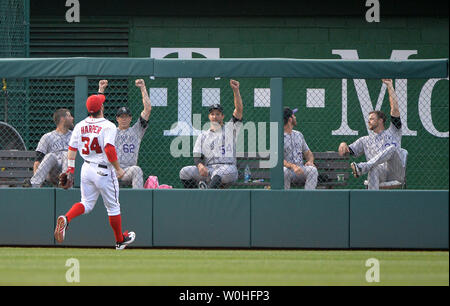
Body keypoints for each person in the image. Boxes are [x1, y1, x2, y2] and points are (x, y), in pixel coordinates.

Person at [54, 92, 136, 250]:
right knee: (113, 207)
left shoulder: (80, 125)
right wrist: (118, 169)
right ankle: (119, 240)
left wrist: (70, 170)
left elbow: (72, 149)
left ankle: (67, 218)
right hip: (104, 170)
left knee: (86, 203)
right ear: (102, 108)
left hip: (86, 168)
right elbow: (109, 149)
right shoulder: (108, 126)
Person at [338, 79, 403, 190]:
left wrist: (390, 86)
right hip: (380, 172)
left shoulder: (393, 131)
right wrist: (343, 144)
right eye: (368, 119)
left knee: (392, 148)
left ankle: (363, 167)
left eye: (372, 119)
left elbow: (395, 109)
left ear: (381, 120)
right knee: (373, 167)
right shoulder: (365, 140)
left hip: (395, 172)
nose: (369, 121)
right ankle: (372, 202)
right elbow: (346, 152)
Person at [179, 79, 243, 189]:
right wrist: (200, 166)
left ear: (222, 116)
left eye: (218, 114)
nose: (215, 116)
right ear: (209, 117)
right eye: (212, 114)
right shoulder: (203, 135)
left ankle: (205, 196)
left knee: (218, 175)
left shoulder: (229, 129)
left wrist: (236, 91)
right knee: (184, 172)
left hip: (227, 168)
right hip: (209, 169)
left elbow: (239, 110)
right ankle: (195, 196)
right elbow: (197, 155)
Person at [98, 79, 151, 189]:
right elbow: (98, 112)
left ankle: (137, 201)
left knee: (137, 170)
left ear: (130, 118)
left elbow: (147, 109)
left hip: (127, 171)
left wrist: (143, 88)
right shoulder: (111, 129)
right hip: (111, 170)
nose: (124, 119)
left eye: (126, 116)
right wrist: (101, 90)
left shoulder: (137, 130)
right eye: (121, 116)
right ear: (117, 118)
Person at [28, 108, 74, 187]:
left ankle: (65, 182)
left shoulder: (74, 136)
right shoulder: (47, 137)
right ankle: (34, 184)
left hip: (71, 170)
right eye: (69, 116)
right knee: (50, 155)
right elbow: (37, 161)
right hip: (53, 172)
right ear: (63, 119)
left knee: (66, 154)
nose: (72, 118)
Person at [283, 107, 318, 189]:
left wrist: (310, 161)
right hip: (288, 170)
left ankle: (308, 198)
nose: (295, 117)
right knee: (283, 171)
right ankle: (285, 198)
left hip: (301, 169)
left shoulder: (299, 134)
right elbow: (278, 159)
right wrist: (293, 166)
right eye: (294, 115)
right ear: (290, 119)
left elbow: (308, 152)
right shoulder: (279, 136)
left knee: (313, 170)